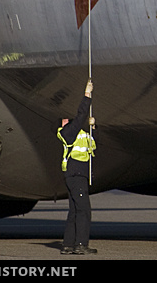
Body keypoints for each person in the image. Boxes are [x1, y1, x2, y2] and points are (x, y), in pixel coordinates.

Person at [58, 79, 96, 255]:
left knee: (74, 211)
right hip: (76, 175)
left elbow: (93, 145)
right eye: (65, 120)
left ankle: (68, 245)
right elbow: (80, 115)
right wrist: (87, 95)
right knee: (83, 210)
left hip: (75, 175)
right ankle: (81, 245)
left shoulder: (78, 134)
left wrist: (93, 126)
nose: (68, 119)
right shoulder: (68, 133)